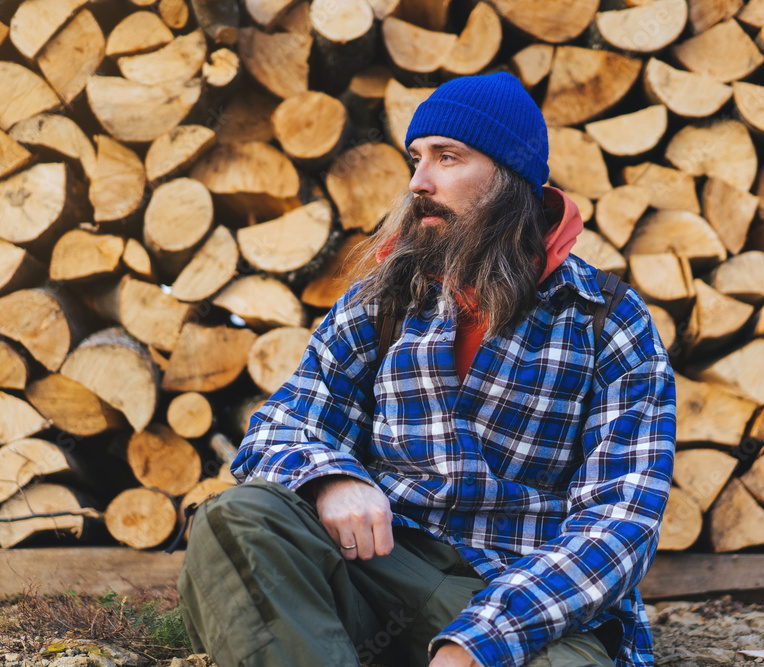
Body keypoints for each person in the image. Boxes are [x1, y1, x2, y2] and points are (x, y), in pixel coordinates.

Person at [177, 72, 676, 667]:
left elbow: (623, 521)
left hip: (520, 592)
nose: (419, 182)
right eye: (416, 158)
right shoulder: (382, 301)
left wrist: (478, 642)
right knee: (238, 519)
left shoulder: (607, 320)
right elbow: (282, 424)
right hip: (381, 567)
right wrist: (330, 477)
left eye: (447, 157)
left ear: (508, 176)